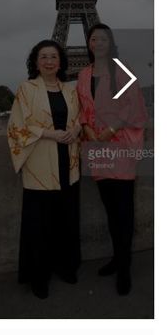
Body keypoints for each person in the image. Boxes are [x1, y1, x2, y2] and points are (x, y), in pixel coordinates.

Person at [7, 40, 82, 299]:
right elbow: (16, 127)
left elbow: (79, 119)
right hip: (40, 161)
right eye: (44, 57)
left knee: (66, 220)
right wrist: (50, 134)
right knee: (40, 225)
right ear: (36, 62)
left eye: (53, 56)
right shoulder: (26, 89)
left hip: (68, 162)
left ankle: (65, 266)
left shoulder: (70, 90)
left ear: (60, 61)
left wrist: (75, 130)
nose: (49, 61)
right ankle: (39, 276)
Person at [76, 24, 146, 295]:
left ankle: (125, 266)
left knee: (124, 210)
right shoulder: (84, 74)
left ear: (110, 42)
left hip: (119, 145)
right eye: (94, 38)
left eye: (103, 37)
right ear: (89, 44)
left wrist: (112, 128)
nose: (98, 42)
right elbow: (83, 108)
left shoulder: (123, 68)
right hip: (97, 147)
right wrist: (88, 128)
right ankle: (118, 259)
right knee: (111, 208)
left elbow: (134, 103)